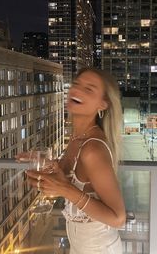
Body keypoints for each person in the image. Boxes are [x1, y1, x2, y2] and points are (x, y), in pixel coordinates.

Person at [25, 67, 126, 253]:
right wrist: (43, 163)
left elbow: (118, 218)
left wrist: (64, 189)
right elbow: (69, 175)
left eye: (89, 89)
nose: (77, 90)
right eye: (76, 84)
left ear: (102, 104)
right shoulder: (76, 139)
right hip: (79, 247)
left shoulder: (92, 149)